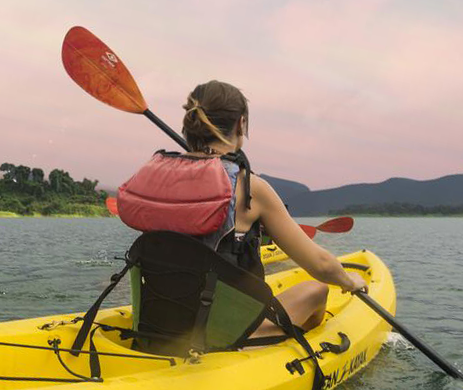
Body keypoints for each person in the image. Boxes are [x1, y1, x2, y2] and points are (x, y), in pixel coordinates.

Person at [118, 80, 366, 341]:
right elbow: (321, 264)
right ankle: (288, 354)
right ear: (240, 124)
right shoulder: (249, 188)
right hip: (219, 335)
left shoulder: (156, 178)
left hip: (155, 324)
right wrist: (349, 281)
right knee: (317, 290)